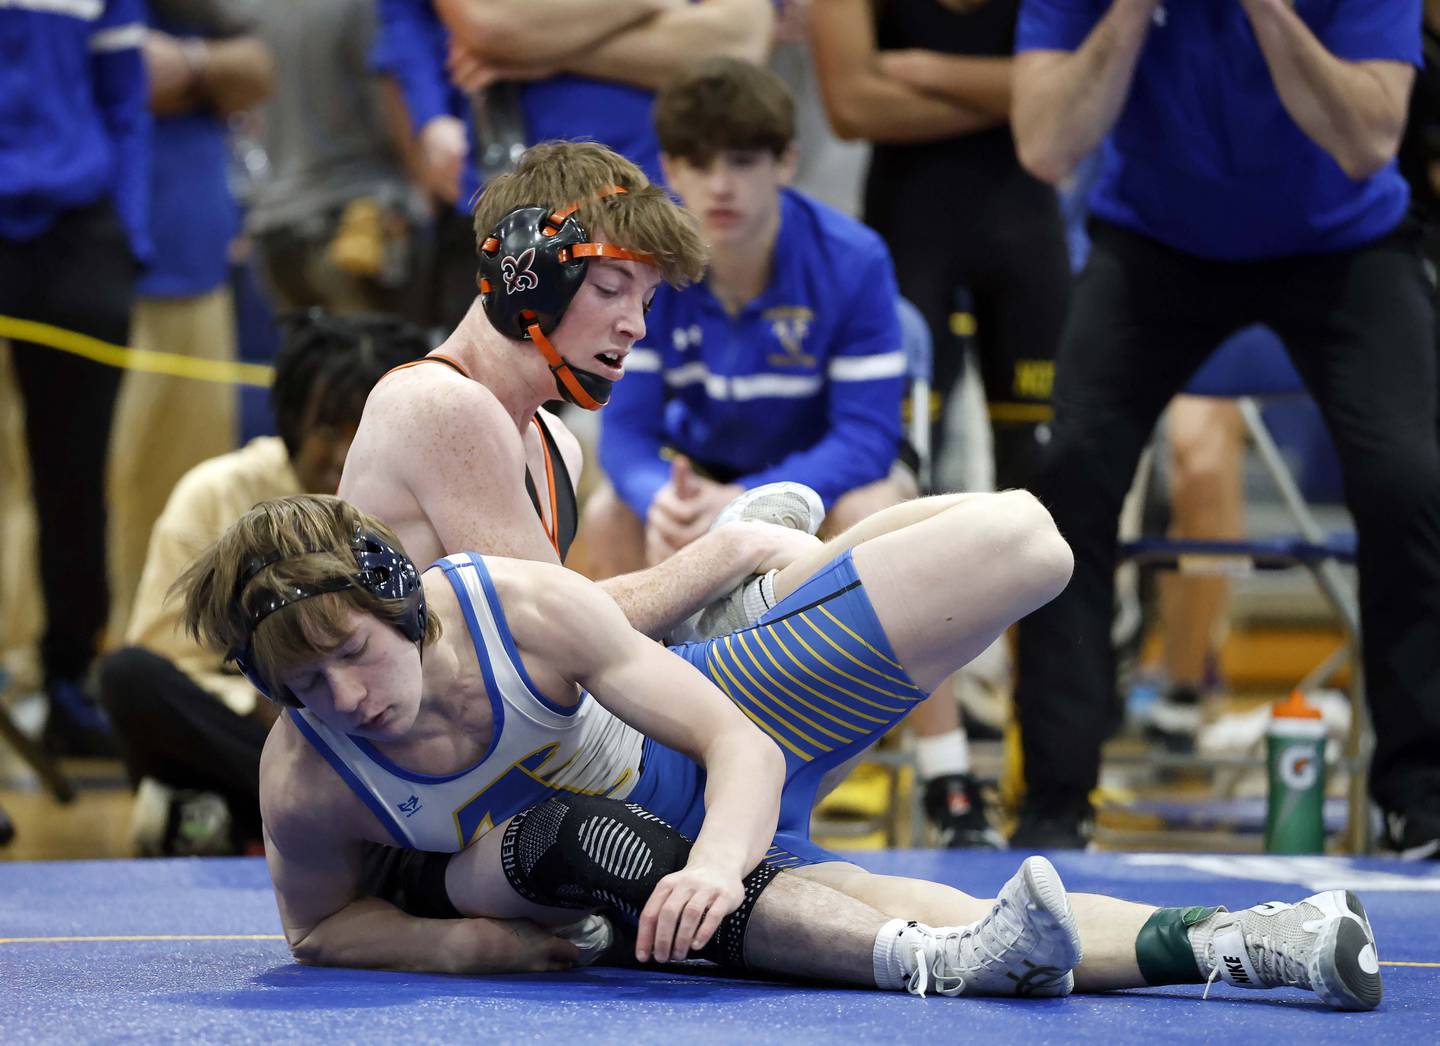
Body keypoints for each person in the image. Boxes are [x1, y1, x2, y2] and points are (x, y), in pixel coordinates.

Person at [175, 492, 1381, 1009]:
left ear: (399, 602)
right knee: (974, 937)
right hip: (620, 857)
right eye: (303, 686)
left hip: (723, 720)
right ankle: (1256, 940)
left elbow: (729, 737)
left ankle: (780, 578)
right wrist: (478, 946)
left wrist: (716, 857)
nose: (346, 698)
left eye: (351, 655)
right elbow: (319, 928)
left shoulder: (514, 608)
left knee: (1031, 542)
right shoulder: (308, 770)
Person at [1008, 0, 1439, 853]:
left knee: (1407, 478)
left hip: (1345, 242)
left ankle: (1420, 795)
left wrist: (1267, 10)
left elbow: (1368, 144)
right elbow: (1045, 146)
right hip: (1155, 242)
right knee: (1068, 478)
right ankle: (1056, 804)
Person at [582, 57, 995, 846]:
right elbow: (629, 436)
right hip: (704, 479)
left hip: (827, 475)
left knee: (884, 512)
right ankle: (616, 762)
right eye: (699, 164)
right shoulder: (650, 269)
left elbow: (868, 439)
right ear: (669, 169)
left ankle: (950, 782)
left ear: (785, 163)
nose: (721, 187)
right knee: (610, 510)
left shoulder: (852, 260)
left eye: (743, 161)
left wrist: (745, 512)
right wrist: (661, 499)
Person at [99, 311, 429, 856]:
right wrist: (279, 698)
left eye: (364, 432)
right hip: (267, 736)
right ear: (293, 419)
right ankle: (286, 815)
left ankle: (248, 819)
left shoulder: (426, 497)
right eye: (328, 430)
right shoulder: (215, 492)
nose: (345, 452)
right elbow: (166, 657)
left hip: (396, 735)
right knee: (127, 677)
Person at [809, 0, 1069, 492]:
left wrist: (927, 70)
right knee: (896, 463)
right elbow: (852, 107)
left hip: (1025, 235)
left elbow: (1069, 95)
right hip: (910, 232)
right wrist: (1017, 97)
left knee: (1043, 465)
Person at [0, 0, 151, 755]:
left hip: (78, 237)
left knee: (74, 479)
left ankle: (67, 679)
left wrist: (127, 235)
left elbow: (125, 97)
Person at [105, 2, 276, 647]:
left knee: (178, 491)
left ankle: (162, 663)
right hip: (40, 260)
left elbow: (256, 68)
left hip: (180, 254)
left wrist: (191, 64)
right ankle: (29, 670)